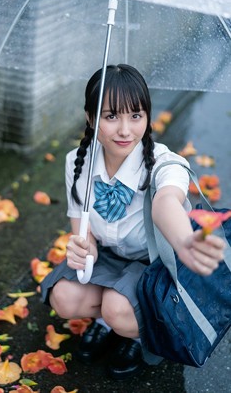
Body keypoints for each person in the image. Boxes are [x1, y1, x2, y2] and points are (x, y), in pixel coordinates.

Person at [41, 64, 225, 380]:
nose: (125, 130)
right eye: (111, 116)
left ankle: (138, 335)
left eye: (136, 116)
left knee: (115, 306)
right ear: (90, 118)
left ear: (147, 117)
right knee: (63, 297)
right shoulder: (78, 161)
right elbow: (84, 234)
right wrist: (83, 251)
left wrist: (185, 242)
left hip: (152, 264)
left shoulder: (164, 162)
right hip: (111, 257)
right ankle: (109, 322)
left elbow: (166, 203)